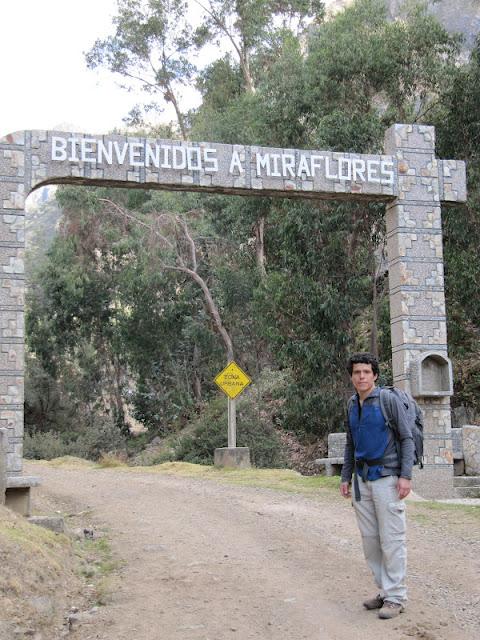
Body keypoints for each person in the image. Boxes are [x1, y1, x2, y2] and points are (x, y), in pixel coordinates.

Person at [340, 352, 414, 619]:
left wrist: (405, 476)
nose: (361, 376)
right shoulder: (352, 404)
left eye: (366, 372)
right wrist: (345, 476)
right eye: (357, 372)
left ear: (375, 375)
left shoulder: (387, 400)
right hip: (362, 480)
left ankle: (396, 597)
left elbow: (406, 439)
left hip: (388, 478)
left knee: (392, 539)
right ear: (352, 376)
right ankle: (384, 590)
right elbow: (351, 443)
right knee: (371, 541)